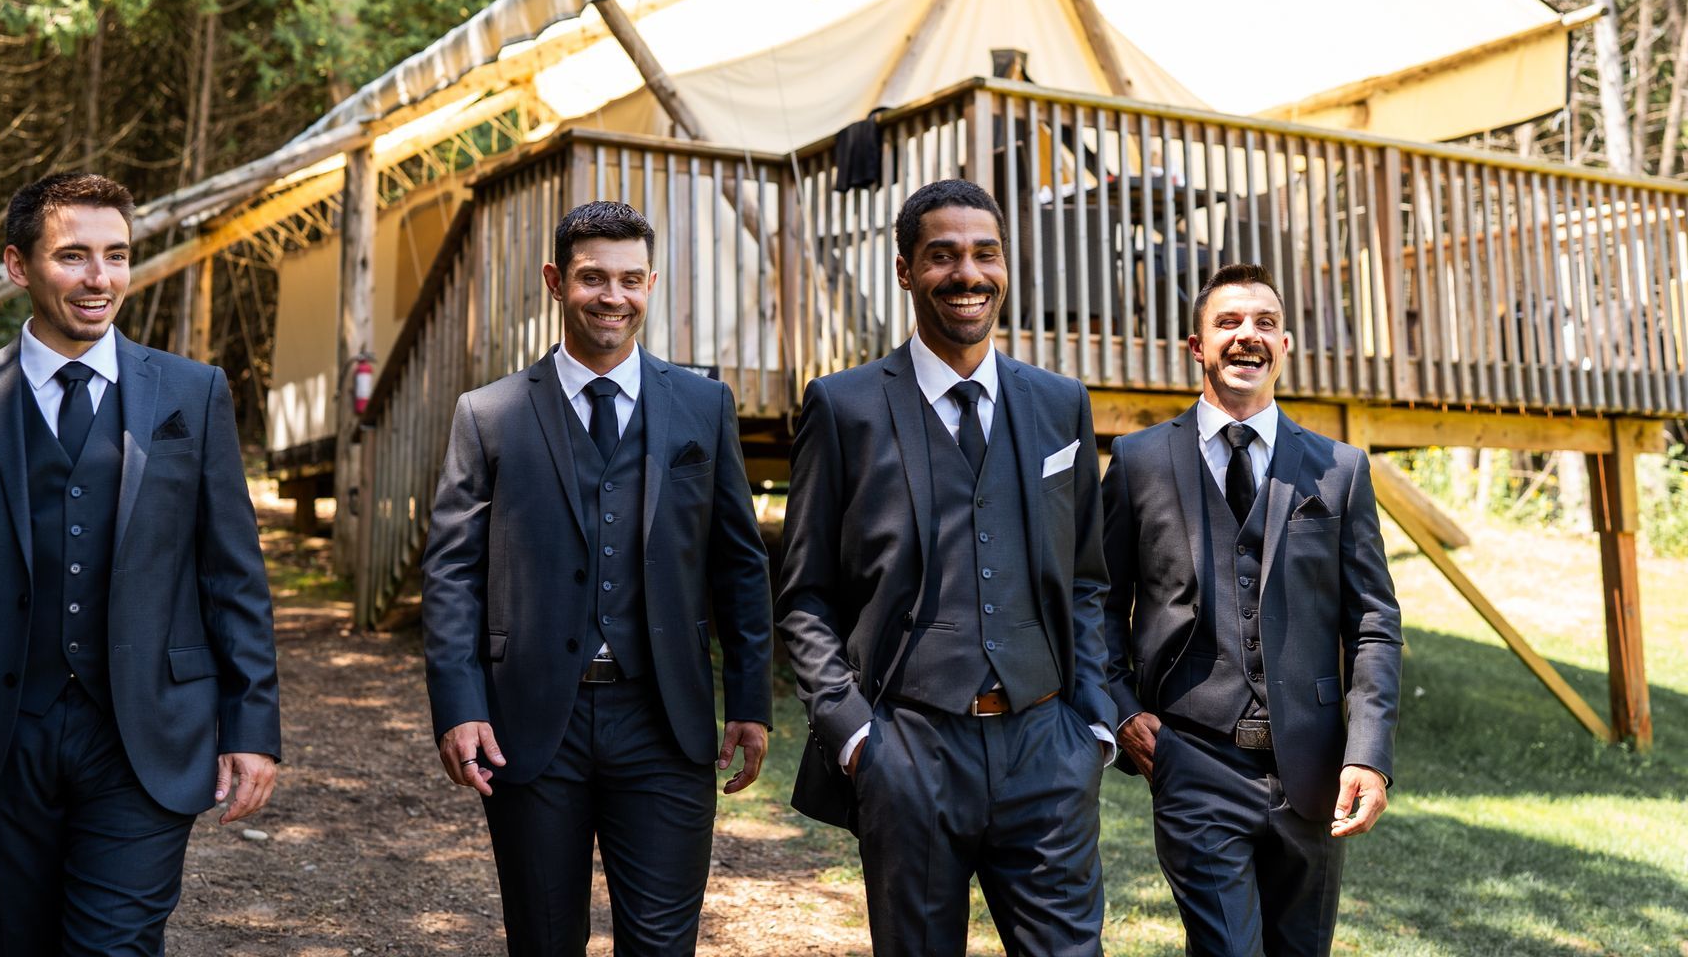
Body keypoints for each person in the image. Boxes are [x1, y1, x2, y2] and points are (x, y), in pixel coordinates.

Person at [0, 172, 281, 956]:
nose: (100, 279)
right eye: (74, 257)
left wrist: (252, 724)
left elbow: (233, 575)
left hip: (147, 734)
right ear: (18, 266)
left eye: (117, 256)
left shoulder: (192, 395)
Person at [421, 200, 773, 956]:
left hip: (665, 722)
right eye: (591, 278)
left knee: (661, 943)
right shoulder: (489, 414)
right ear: (556, 281)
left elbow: (740, 562)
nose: (612, 296)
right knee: (543, 941)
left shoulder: (704, 407)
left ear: (650, 283)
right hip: (530, 725)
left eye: (629, 279)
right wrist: (458, 705)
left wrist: (749, 699)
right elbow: (452, 574)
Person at [776, 178, 1115, 957]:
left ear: (1005, 265)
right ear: (905, 271)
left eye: (984, 254)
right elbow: (803, 594)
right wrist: (855, 735)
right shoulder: (844, 405)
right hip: (909, 749)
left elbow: (1088, 576)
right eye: (942, 257)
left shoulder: (1060, 403)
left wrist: (1092, 723)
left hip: (1046, 748)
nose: (968, 274)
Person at [1101, 262, 1402, 957]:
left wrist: (1369, 753)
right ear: (1196, 347)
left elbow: (1374, 624)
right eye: (1228, 323)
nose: (1247, 336)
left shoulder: (1339, 469)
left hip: (1315, 770)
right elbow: (1097, 605)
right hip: (1193, 758)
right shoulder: (1140, 461)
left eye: (1264, 323)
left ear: (1285, 345)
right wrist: (1119, 707)